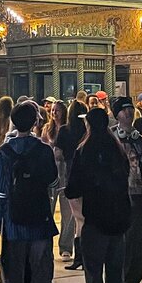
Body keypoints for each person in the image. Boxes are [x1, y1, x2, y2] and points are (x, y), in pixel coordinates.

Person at [0, 101, 60, 283]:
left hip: (13, 222)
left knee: (12, 273)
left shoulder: (5, 153)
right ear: (35, 122)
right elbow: (53, 182)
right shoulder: (43, 150)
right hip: (40, 220)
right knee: (41, 273)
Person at [66, 107, 131, 283]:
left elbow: (73, 186)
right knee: (115, 270)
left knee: (94, 271)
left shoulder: (85, 150)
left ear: (89, 125)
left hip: (95, 218)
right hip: (119, 218)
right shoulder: (117, 149)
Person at [112, 96, 142, 283]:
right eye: (124, 110)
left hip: (136, 196)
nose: (129, 113)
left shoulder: (138, 140)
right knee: (120, 249)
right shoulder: (112, 138)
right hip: (118, 197)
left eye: (130, 109)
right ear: (116, 114)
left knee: (137, 247)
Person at [43, 99, 75, 260]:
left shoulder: (68, 130)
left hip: (64, 174)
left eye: (57, 110)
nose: (54, 113)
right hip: (48, 173)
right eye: (53, 110)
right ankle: (45, 245)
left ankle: (66, 247)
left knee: (68, 212)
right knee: (46, 209)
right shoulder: (46, 129)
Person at [61, 100, 88, 269]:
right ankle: (83, 256)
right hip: (86, 176)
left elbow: (57, 153)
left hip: (70, 175)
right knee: (83, 218)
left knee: (78, 218)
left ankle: (79, 257)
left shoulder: (65, 130)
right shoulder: (87, 131)